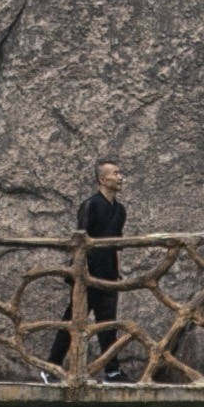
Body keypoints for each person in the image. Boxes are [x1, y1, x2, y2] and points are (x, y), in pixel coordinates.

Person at [47, 159, 129, 378]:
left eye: (121, 173)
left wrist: (118, 273)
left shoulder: (120, 210)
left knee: (108, 324)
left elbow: (117, 243)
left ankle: (112, 371)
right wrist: (80, 274)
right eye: (116, 173)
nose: (121, 177)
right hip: (87, 274)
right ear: (103, 179)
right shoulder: (91, 205)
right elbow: (79, 240)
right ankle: (51, 367)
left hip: (108, 275)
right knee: (72, 322)